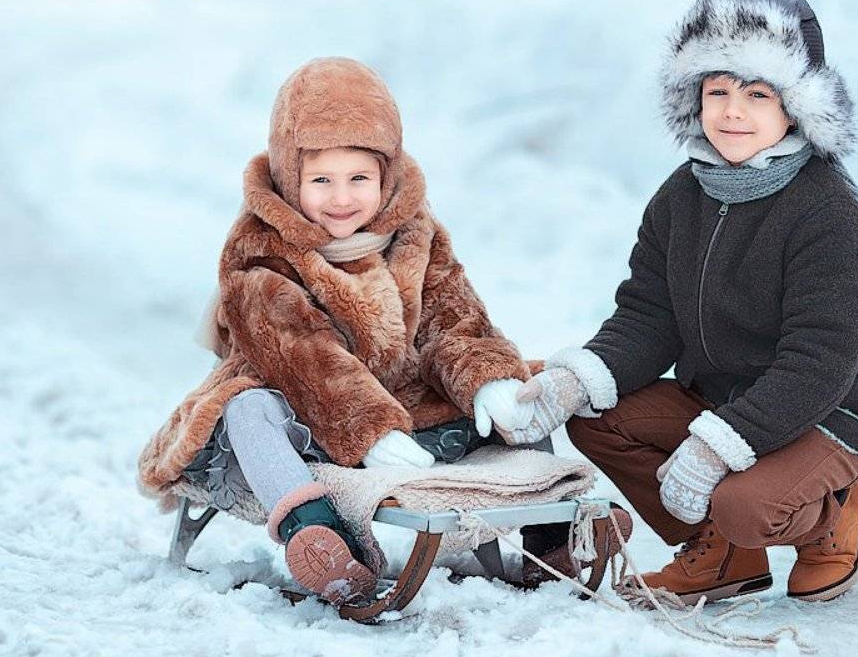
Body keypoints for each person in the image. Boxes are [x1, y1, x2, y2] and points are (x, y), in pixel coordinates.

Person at [503, 0, 858, 605]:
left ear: (796, 106)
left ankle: (832, 511)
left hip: (831, 412)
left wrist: (713, 449)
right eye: (718, 92)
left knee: (743, 504)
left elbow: (818, 364)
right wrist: (577, 379)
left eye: (757, 94)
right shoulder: (682, 196)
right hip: (726, 398)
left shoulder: (827, 213)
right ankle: (724, 554)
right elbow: (649, 314)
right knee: (598, 415)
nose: (733, 111)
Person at [138, 56, 553, 602]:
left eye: (359, 179)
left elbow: (452, 314)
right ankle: (318, 537)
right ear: (292, 177)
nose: (341, 199)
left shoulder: (415, 233)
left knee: (526, 393)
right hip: (301, 400)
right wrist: (368, 429)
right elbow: (299, 349)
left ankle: (552, 537)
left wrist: (485, 379)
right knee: (246, 411)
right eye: (321, 181)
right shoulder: (260, 248)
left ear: (387, 175)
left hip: (399, 400)